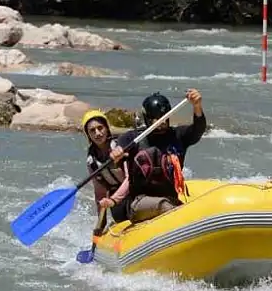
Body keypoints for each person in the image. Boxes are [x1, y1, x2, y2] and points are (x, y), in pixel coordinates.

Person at [108, 88, 206, 222]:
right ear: (147, 119)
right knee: (165, 206)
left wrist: (197, 106)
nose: (161, 123)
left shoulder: (178, 136)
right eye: (156, 120)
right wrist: (117, 152)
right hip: (139, 203)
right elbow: (119, 147)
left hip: (171, 200)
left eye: (164, 119)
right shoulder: (133, 137)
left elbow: (198, 129)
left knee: (170, 205)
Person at [80, 109, 130, 219]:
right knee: (118, 214)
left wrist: (113, 200)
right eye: (92, 131)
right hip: (117, 200)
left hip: (134, 191)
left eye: (100, 128)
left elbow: (130, 178)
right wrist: (100, 223)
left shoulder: (120, 147)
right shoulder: (92, 161)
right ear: (88, 135)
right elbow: (100, 193)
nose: (97, 133)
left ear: (107, 128)